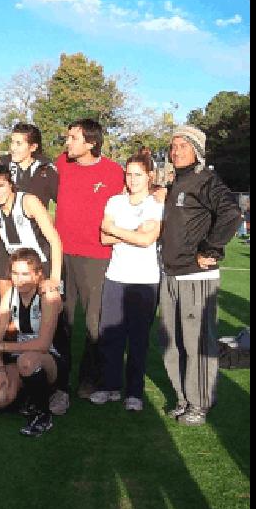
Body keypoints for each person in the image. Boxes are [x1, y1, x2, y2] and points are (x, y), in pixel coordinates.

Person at [158, 125, 240, 426]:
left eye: (182, 145)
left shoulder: (207, 180)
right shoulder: (177, 183)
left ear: (197, 150)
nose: (175, 150)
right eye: (173, 145)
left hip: (196, 277)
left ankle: (200, 403)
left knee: (198, 344)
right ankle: (183, 398)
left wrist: (211, 248)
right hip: (170, 275)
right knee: (170, 343)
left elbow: (232, 214)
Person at [53, 118, 124, 410]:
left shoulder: (113, 171)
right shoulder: (61, 164)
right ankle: (58, 379)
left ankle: (89, 378)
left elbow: (134, 196)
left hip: (97, 256)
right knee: (61, 320)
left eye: (73, 137)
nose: (67, 142)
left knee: (94, 324)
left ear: (91, 142)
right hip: (62, 255)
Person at [90, 148, 163, 412]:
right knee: (110, 335)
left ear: (149, 176)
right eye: (129, 174)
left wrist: (120, 231)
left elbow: (146, 240)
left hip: (144, 281)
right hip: (115, 277)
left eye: (138, 175)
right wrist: (132, 231)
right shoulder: (115, 202)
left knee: (138, 339)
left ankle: (134, 392)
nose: (132, 180)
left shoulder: (155, 205)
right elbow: (104, 236)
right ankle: (109, 386)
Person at [0, 248, 65, 437]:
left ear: (38, 275)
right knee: (0, 398)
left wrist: (2, 347)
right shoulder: (10, 294)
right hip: (21, 355)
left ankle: (43, 414)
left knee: (27, 362)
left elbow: (43, 344)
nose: (19, 279)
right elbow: (0, 328)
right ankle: (31, 396)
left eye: (26, 274)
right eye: (15, 273)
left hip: (50, 359)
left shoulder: (48, 296)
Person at [0, 123, 59, 298]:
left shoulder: (46, 171)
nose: (12, 148)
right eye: (12, 142)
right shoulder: (3, 167)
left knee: (40, 305)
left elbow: (63, 203)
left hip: (36, 246)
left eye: (18, 143)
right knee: (8, 306)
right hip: (7, 246)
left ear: (33, 147)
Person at [0, 163, 62, 293]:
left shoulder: (28, 201)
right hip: (19, 270)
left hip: (41, 267)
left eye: (0, 186)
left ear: (10, 184)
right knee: (8, 309)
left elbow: (54, 240)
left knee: (48, 303)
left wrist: (55, 278)